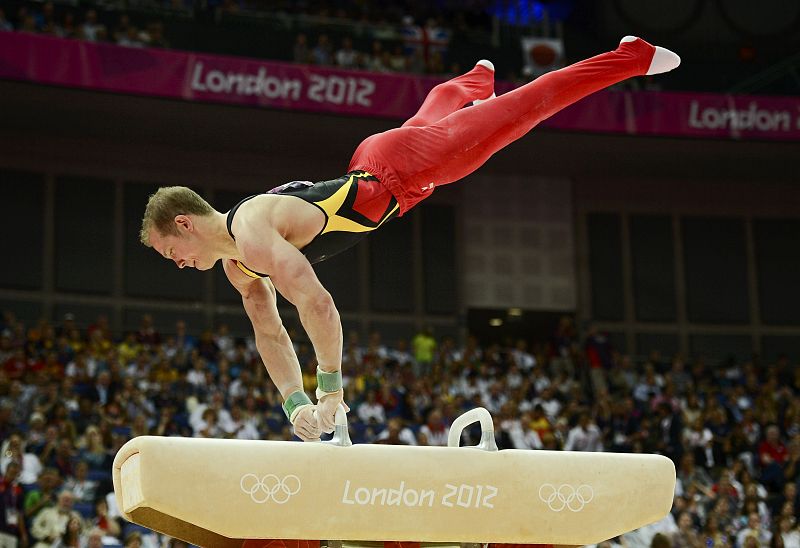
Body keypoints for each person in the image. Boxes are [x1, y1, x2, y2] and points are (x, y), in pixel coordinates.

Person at [139, 37, 680, 441]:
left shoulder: (253, 230)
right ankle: (473, 81)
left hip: (399, 169)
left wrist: (331, 387)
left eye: (171, 253)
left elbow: (318, 305)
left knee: (528, 108)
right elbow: (271, 335)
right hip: (380, 169)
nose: (178, 264)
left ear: (185, 223)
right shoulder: (240, 268)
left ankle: (629, 56)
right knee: (436, 113)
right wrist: (294, 402)